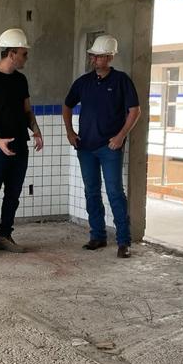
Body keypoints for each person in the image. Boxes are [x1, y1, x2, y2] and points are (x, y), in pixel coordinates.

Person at [63, 34, 141, 258]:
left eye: (98, 56)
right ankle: (97, 235)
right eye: (93, 56)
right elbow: (67, 106)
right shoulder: (83, 82)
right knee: (91, 191)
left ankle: (123, 241)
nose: (94, 59)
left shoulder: (121, 81)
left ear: (109, 57)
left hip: (110, 148)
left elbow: (135, 111)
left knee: (115, 192)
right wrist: (70, 132)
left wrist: (120, 136)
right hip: (85, 147)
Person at [0, 28, 44, 257]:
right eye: (24, 53)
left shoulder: (21, 80)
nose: (26, 58)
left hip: (20, 146)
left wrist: (36, 131)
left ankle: (4, 236)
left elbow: (27, 111)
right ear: (12, 54)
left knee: (13, 194)